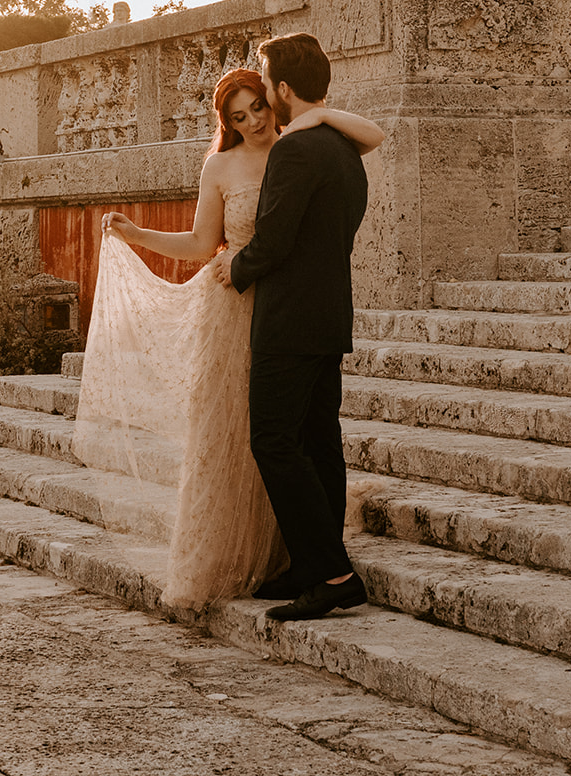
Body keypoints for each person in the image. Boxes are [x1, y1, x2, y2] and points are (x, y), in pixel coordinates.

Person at [77, 65, 383, 611]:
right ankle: (295, 562)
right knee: (241, 437)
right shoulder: (219, 165)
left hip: (287, 311)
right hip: (235, 311)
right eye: (237, 118)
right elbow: (201, 245)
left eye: (258, 109)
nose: (252, 123)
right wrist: (135, 234)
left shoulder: (304, 146)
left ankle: (313, 563)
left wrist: (318, 113)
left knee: (289, 440)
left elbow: (363, 147)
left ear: (274, 100)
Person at [210, 32, 370, 622]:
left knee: (273, 441)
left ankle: (332, 573)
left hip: (290, 321)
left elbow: (273, 242)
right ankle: (316, 562)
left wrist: (236, 266)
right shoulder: (341, 146)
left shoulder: (295, 152)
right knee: (319, 442)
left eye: (264, 81)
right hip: (330, 314)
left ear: (280, 89)